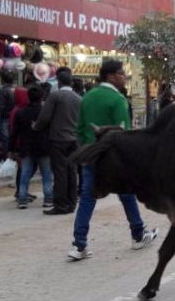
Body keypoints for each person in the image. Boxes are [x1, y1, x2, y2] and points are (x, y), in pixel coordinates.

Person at [69, 60, 157, 261]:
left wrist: (88, 150)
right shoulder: (117, 100)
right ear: (110, 76)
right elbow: (123, 134)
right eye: (121, 73)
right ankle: (138, 234)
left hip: (91, 155)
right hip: (115, 158)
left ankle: (79, 244)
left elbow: (80, 129)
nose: (124, 76)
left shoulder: (87, 97)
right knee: (126, 194)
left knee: (87, 198)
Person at [33, 69, 82, 215]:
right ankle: (72, 203)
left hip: (59, 139)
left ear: (59, 82)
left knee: (60, 172)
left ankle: (61, 205)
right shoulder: (78, 98)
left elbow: (44, 117)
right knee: (72, 171)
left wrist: (35, 126)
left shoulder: (55, 96)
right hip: (74, 140)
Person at [9, 86, 53, 209]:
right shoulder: (46, 112)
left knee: (25, 172)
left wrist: (11, 149)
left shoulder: (20, 113)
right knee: (46, 173)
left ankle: (22, 198)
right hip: (44, 146)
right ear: (42, 97)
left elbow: (14, 133)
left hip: (26, 146)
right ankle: (48, 198)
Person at [0, 71, 16, 159]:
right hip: (13, 117)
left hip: (4, 118)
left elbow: (1, 107)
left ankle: (6, 158)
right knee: (11, 138)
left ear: (2, 80)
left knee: (5, 139)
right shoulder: (15, 89)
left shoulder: (3, 91)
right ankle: (11, 157)